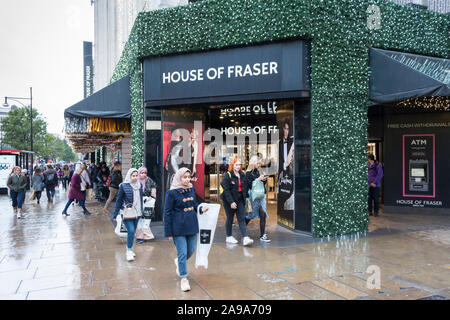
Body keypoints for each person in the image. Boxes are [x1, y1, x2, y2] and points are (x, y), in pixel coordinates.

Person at [164, 167, 208, 292]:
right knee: (182, 252)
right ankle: (184, 278)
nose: (187, 179)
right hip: (178, 228)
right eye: (185, 177)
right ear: (179, 177)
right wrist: (168, 232)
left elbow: (193, 205)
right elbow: (167, 213)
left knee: (191, 250)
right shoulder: (171, 193)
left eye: (189, 177)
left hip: (191, 225)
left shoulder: (191, 188)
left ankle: (179, 261)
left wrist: (200, 208)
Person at [112, 168, 144, 262]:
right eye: (133, 176)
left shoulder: (139, 185)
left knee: (132, 232)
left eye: (136, 176)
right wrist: (115, 214)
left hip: (137, 213)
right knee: (131, 230)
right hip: (127, 212)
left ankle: (130, 248)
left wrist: (141, 211)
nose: (135, 177)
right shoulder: (123, 186)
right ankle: (129, 251)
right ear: (129, 176)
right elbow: (118, 200)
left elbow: (140, 199)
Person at [220, 157, 253, 246]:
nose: (238, 166)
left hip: (240, 200)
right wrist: (231, 202)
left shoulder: (242, 174)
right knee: (230, 218)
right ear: (232, 165)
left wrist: (246, 197)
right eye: (236, 164)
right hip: (229, 201)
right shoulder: (228, 175)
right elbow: (226, 190)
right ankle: (229, 236)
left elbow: (246, 186)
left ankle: (245, 238)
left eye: (239, 164)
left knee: (241, 218)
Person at [245, 155, 270, 243]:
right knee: (250, 216)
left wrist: (264, 179)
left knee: (263, 213)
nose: (259, 165)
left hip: (260, 195)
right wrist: (258, 179)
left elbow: (261, 183)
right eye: (257, 163)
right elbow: (249, 185)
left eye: (259, 163)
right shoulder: (248, 173)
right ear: (253, 163)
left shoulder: (258, 171)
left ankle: (263, 235)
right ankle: (243, 230)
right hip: (253, 196)